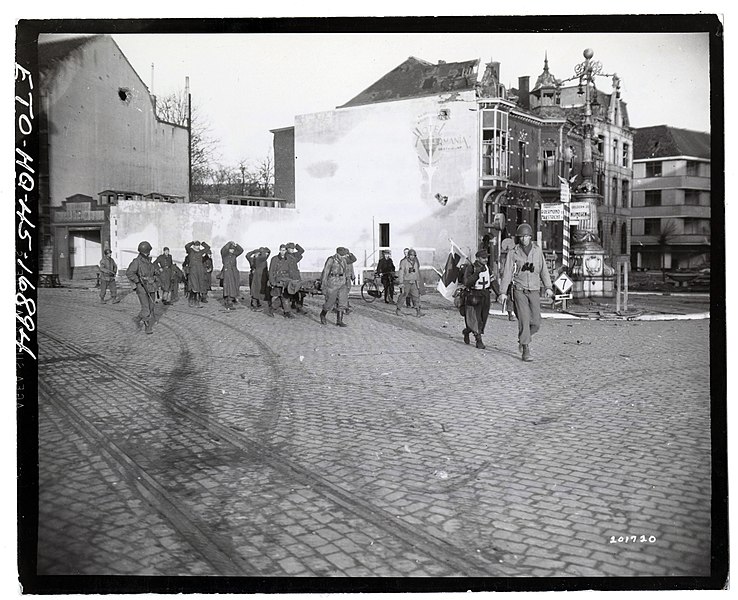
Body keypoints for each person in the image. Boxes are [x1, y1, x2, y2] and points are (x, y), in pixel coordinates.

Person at [498, 223, 554, 362]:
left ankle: (523, 338)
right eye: (522, 237)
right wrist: (503, 292)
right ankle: (526, 348)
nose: (524, 239)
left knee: (536, 322)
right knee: (524, 319)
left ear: (531, 237)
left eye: (527, 236)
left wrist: (548, 287)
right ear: (519, 238)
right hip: (519, 290)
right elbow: (507, 273)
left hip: (534, 289)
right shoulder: (513, 252)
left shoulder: (537, 251)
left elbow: (543, 270)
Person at [461, 249, 493, 349]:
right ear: (478, 258)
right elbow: (466, 282)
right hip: (474, 295)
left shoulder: (487, 268)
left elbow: (492, 280)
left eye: (486, 257)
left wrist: (500, 293)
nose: (486, 260)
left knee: (483, 318)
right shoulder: (471, 268)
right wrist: (476, 274)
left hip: (485, 294)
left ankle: (467, 331)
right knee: (476, 318)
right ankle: (478, 339)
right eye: (483, 258)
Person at [126, 241, 157, 334]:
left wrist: (157, 273)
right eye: (149, 250)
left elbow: (153, 272)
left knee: (151, 306)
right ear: (146, 251)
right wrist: (137, 280)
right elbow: (129, 273)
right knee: (146, 308)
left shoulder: (149, 261)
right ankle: (147, 327)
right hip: (142, 287)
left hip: (151, 286)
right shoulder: (137, 262)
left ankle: (138, 318)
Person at [320, 247, 351, 327]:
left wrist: (347, 282)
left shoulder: (344, 260)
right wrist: (323, 285)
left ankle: (339, 321)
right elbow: (325, 272)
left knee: (342, 302)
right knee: (330, 302)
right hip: (332, 282)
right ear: (338, 253)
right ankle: (323, 314)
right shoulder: (331, 259)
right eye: (343, 254)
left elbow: (346, 271)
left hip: (342, 282)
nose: (344, 256)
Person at [268, 243, 300, 318]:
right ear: (279, 250)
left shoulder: (288, 259)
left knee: (284, 295)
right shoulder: (274, 259)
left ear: (286, 251)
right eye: (281, 250)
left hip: (287, 279)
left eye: (284, 250)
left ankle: (273, 309)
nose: (283, 252)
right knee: (284, 295)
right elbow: (271, 270)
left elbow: (291, 270)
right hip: (278, 279)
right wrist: (272, 281)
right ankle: (287, 312)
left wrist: (294, 279)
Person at [396, 248, 423, 317]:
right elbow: (401, 272)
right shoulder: (404, 262)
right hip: (406, 282)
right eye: (411, 255)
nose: (412, 257)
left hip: (413, 282)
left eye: (413, 255)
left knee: (416, 296)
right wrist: (401, 282)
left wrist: (418, 282)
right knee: (403, 296)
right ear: (408, 255)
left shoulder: (416, 263)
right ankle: (398, 309)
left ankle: (418, 311)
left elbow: (417, 273)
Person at [184, 240, 211, 308]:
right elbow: (186, 246)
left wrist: (203, 243)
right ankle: (191, 300)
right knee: (194, 286)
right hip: (193, 271)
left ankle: (196, 302)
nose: (197, 247)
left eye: (198, 245)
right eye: (196, 245)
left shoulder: (201, 252)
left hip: (200, 271)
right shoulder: (190, 251)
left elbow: (208, 248)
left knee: (199, 286)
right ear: (194, 246)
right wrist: (192, 242)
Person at [246, 246, 271, 312]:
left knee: (260, 290)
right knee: (256, 290)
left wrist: (266, 250)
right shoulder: (259, 259)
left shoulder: (263, 259)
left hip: (262, 276)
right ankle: (254, 305)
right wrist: (254, 251)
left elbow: (268, 253)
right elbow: (247, 255)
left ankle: (257, 303)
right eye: (265, 253)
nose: (266, 255)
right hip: (257, 277)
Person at [220, 241, 244, 310]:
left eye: (233, 249)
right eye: (231, 249)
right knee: (228, 287)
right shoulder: (224, 255)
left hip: (234, 272)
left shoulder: (234, 255)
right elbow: (222, 250)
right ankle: (228, 302)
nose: (232, 250)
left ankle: (231, 300)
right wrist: (229, 243)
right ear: (228, 249)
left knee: (234, 286)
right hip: (227, 272)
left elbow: (241, 250)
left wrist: (236, 245)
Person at [499, 237, 517, 321]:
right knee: (511, 297)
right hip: (511, 280)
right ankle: (510, 313)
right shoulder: (510, 254)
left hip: (518, 279)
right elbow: (507, 269)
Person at [286, 242, 306, 312]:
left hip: (296, 275)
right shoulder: (285, 256)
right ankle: (293, 305)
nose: (292, 250)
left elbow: (302, 251)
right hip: (289, 275)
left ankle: (299, 306)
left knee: (301, 292)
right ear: (287, 249)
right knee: (292, 291)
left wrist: (296, 245)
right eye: (290, 248)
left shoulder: (294, 255)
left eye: (293, 248)